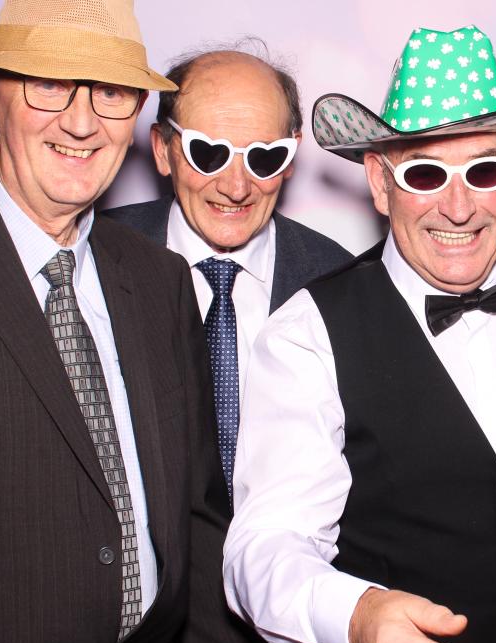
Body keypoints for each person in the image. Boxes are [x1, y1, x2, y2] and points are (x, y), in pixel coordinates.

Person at [224, 25, 496, 643]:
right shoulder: (307, 335)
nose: (458, 207)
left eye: (484, 170)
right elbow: (265, 544)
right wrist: (357, 620)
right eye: (425, 173)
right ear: (379, 182)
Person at [0, 1, 262, 643]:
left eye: (110, 93)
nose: (81, 122)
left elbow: (196, 522)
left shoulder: (159, 279)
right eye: (49, 84)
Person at [105, 45, 351, 501]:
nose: (236, 187)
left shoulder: (340, 281)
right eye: (208, 153)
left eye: (264, 158)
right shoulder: (94, 258)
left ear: (291, 158)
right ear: (163, 149)